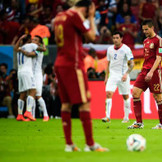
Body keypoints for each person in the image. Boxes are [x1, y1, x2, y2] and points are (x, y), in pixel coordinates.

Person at [53, 0, 108, 152]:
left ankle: (69, 144)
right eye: (89, 11)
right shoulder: (75, 16)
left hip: (59, 63)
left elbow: (70, 38)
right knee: (84, 103)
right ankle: (90, 144)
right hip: (73, 64)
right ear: (86, 8)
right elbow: (91, 37)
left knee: (66, 104)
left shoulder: (59, 16)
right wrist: (90, 17)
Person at [128, 19, 162, 130]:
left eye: (146, 29)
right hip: (144, 71)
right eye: (143, 29)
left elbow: (159, 58)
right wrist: (145, 71)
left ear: (152, 28)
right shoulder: (145, 41)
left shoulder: (159, 40)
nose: (144, 31)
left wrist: (151, 72)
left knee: (157, 96)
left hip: (154, 72)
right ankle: (139, 123)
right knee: (135, 92)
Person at [102, 31, 134, 123]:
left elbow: (132, 64)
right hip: (113, 75)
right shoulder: (109, 49)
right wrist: (106, 77)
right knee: (108, 94)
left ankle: (126, 117)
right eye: (114, 38)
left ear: (121, 39)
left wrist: (126, 74)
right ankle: (107, 117)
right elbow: (108, 63)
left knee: (126, 96)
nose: (115, 40)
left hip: (123, 76)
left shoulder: (126, 49)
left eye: (117, 38)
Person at [15, 34, 46, 121]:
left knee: (22, 93)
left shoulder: (19, 48)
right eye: (32, 39)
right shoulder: (31, 45)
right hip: (27, 72)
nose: (33, 41)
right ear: (29, 40)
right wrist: (43, 43)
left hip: (20, 72)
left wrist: (20, 38)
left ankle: (20, 114)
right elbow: (43, 49)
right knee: (33, 90)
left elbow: (15, 49)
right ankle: (28, 112)